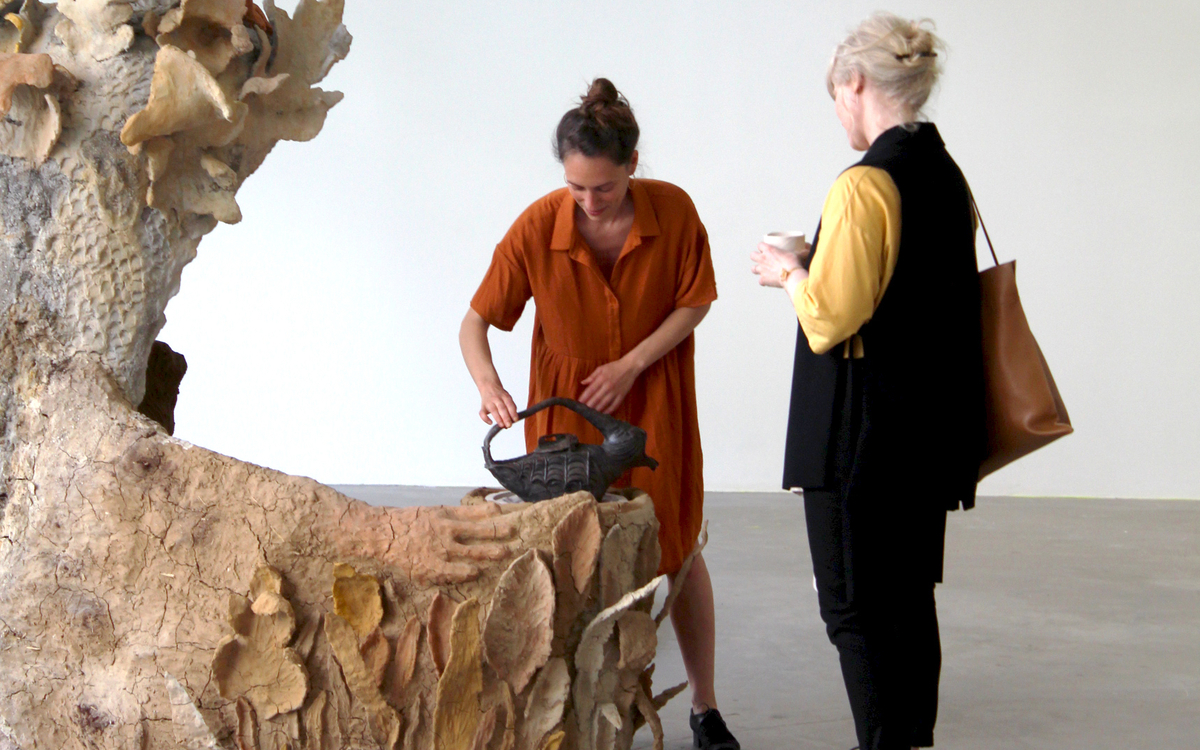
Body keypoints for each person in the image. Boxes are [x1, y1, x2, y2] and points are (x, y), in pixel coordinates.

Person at [461, 78, 740, 750]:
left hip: (655, 400)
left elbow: (695, 300)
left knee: (675, 546)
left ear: (633, 165)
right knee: (573, 555)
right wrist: (489, 386)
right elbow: (475, 323)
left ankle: (704, 708)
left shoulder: (674, 211)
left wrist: (633, 363)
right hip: (568, 418)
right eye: (576, 187)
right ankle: (571, 714)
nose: (588, 201)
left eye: (604, 188)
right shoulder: (538, 226)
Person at [751, 13, 985, 750]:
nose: (837, 112)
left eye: (835, 95)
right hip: (927, 430)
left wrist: (787, 272)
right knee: (909, 600)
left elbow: (830, 319)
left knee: (854, 608)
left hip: (859, 440)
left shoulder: (864, 185)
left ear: (855, 83)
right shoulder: (944, 174)